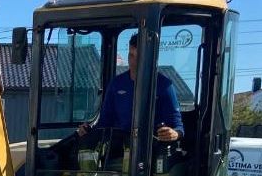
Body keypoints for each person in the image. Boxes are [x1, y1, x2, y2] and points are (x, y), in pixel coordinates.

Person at [78, 32, 183, 163]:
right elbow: (105, 122)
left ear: (151, 58)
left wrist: (174, 134)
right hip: (118, 150)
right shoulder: (116, 84)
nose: (134, 61)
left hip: (151, 153)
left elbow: (178, 126)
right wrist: (89, 131)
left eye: (139, 57)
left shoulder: (164, 85)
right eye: (131, 55)